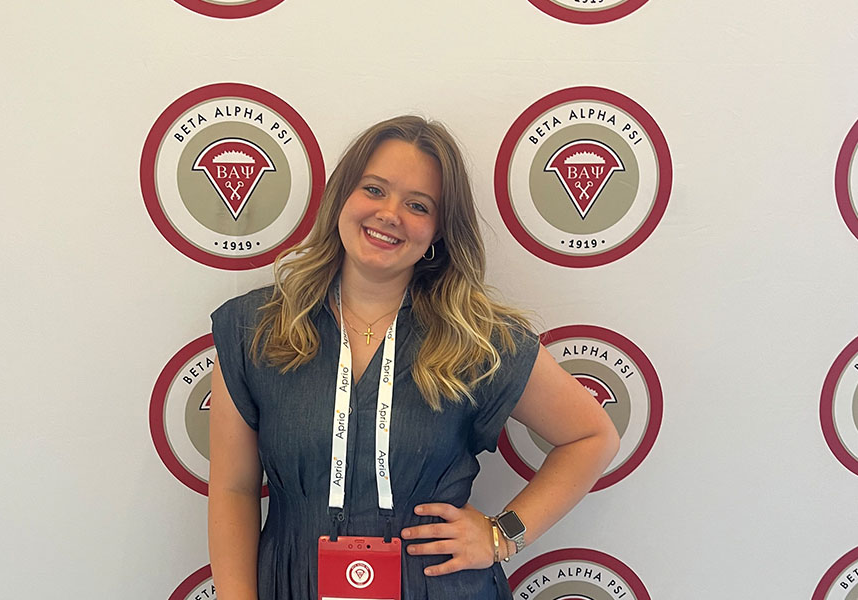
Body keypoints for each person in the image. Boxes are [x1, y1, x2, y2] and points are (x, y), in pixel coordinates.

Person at [207, 115, 619, 600]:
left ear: (439, 229)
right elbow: (233, 489)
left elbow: (593, 436)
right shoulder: (256, 328)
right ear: (343, 195)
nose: (390, 214)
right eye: (375, 190)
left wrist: (504, 533)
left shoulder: (476, 339)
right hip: (296, 583)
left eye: (417, 205)